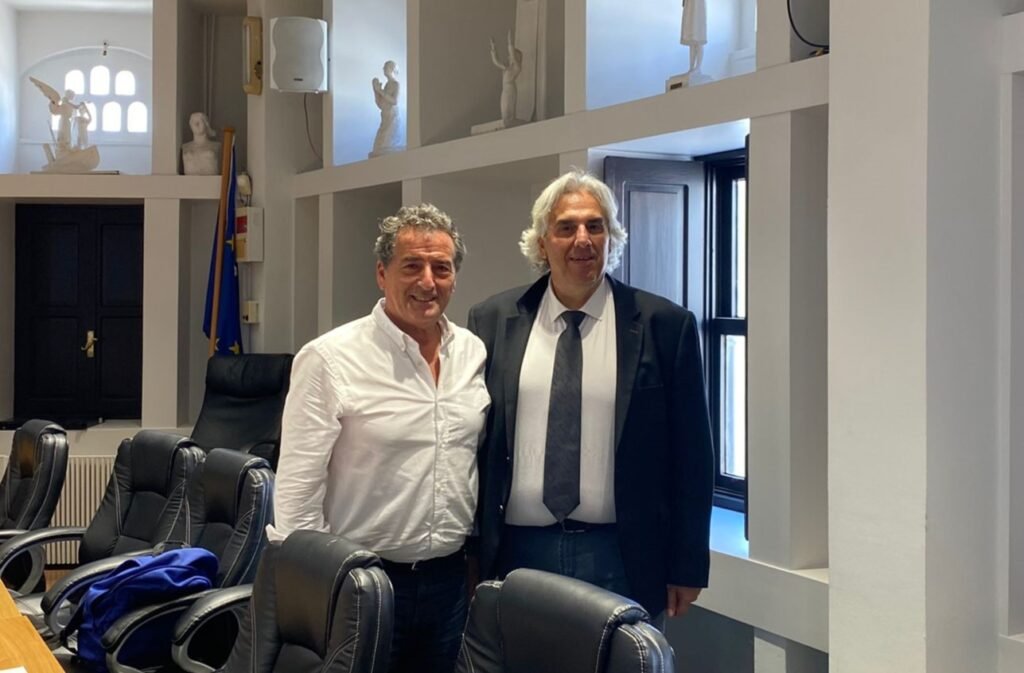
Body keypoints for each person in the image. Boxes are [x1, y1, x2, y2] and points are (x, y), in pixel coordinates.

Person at [467, 169, 714, 620]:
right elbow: (475, 443)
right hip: (517, 551)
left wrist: (688, 563)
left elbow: (692, 456)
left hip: (623, 556)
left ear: (610, 237)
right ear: (542, 243)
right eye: (566, 227)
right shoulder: (492, 320)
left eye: (595, 226)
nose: (583, 239)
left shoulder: (664, 325)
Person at [270, 204, 490, 673]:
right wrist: (323, 587)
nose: (427, 282)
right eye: (412, 266)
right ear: (381, 273)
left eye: (441, 268)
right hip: (360, 582)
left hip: (449, 585)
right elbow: (296, 494)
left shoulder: (473, 353)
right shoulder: (329, 358)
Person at [489, 30, 522, 126]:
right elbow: (496, 62)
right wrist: (493, 48)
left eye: (510, 56)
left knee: (509, 108)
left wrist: (510, 43)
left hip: (510, 89)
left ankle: (510, 121)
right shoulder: (506, 68)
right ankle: (507, 122)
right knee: (504, 109)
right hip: (505, 90)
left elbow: (513, 56)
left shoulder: (517, 67)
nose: (509, 57)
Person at [371, 60, 401, 155]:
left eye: (386, 67)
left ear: (392, 69)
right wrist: (375, 91)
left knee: (384, 147)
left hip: (392, 118)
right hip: (385, 118)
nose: (383, 68)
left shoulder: (396, 84)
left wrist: (380, 91)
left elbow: (394, 101)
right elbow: (381, 105)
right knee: (377, 147)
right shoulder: (387, 85)